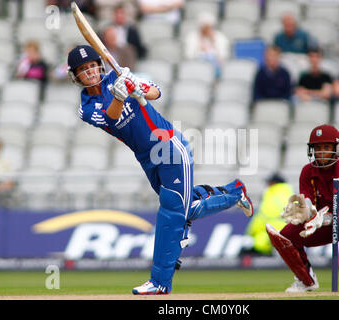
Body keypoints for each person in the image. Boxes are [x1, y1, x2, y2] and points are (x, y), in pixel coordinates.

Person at [67, 45, 254, 295]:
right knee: (184, 208)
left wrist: (138, 86)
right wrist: (120, 96)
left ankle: (160, 282)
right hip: (146, 157)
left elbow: (156, 92)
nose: (89, 71)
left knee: (172, 210)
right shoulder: (86, 106)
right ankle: (234, 192)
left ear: (100, 65)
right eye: (82, 69)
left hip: (168, 144)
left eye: (91, 65)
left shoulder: (116, 74)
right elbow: (111, 117)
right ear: (76, 76)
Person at [266, 124, 339, 293]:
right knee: (285, 236)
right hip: (323, 222)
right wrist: (303, 211)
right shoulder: (307, 171)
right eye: (318, 148)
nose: (321, 152)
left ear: (336, 148)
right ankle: (306, 280)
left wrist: (326, 218)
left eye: (326, 148)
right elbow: (309, 201)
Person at [245, 173, 294, 255]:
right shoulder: (292, 195)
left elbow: (259, 220)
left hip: (270, 239)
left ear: (273, 183)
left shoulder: (270, 196)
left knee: (254, 247)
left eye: (269, 183)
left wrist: (250, 233)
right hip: (291, 238)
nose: (267, 185)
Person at [184, 11, 230, 77]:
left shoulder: (220, 37)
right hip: (197, 66)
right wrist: (199, 46)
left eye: (208, 27)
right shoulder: (192, 37)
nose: (207, 29)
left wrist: (213, 42)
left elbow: (223, 56)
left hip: (215, 66)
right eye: (204, 27)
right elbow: (189, 56)